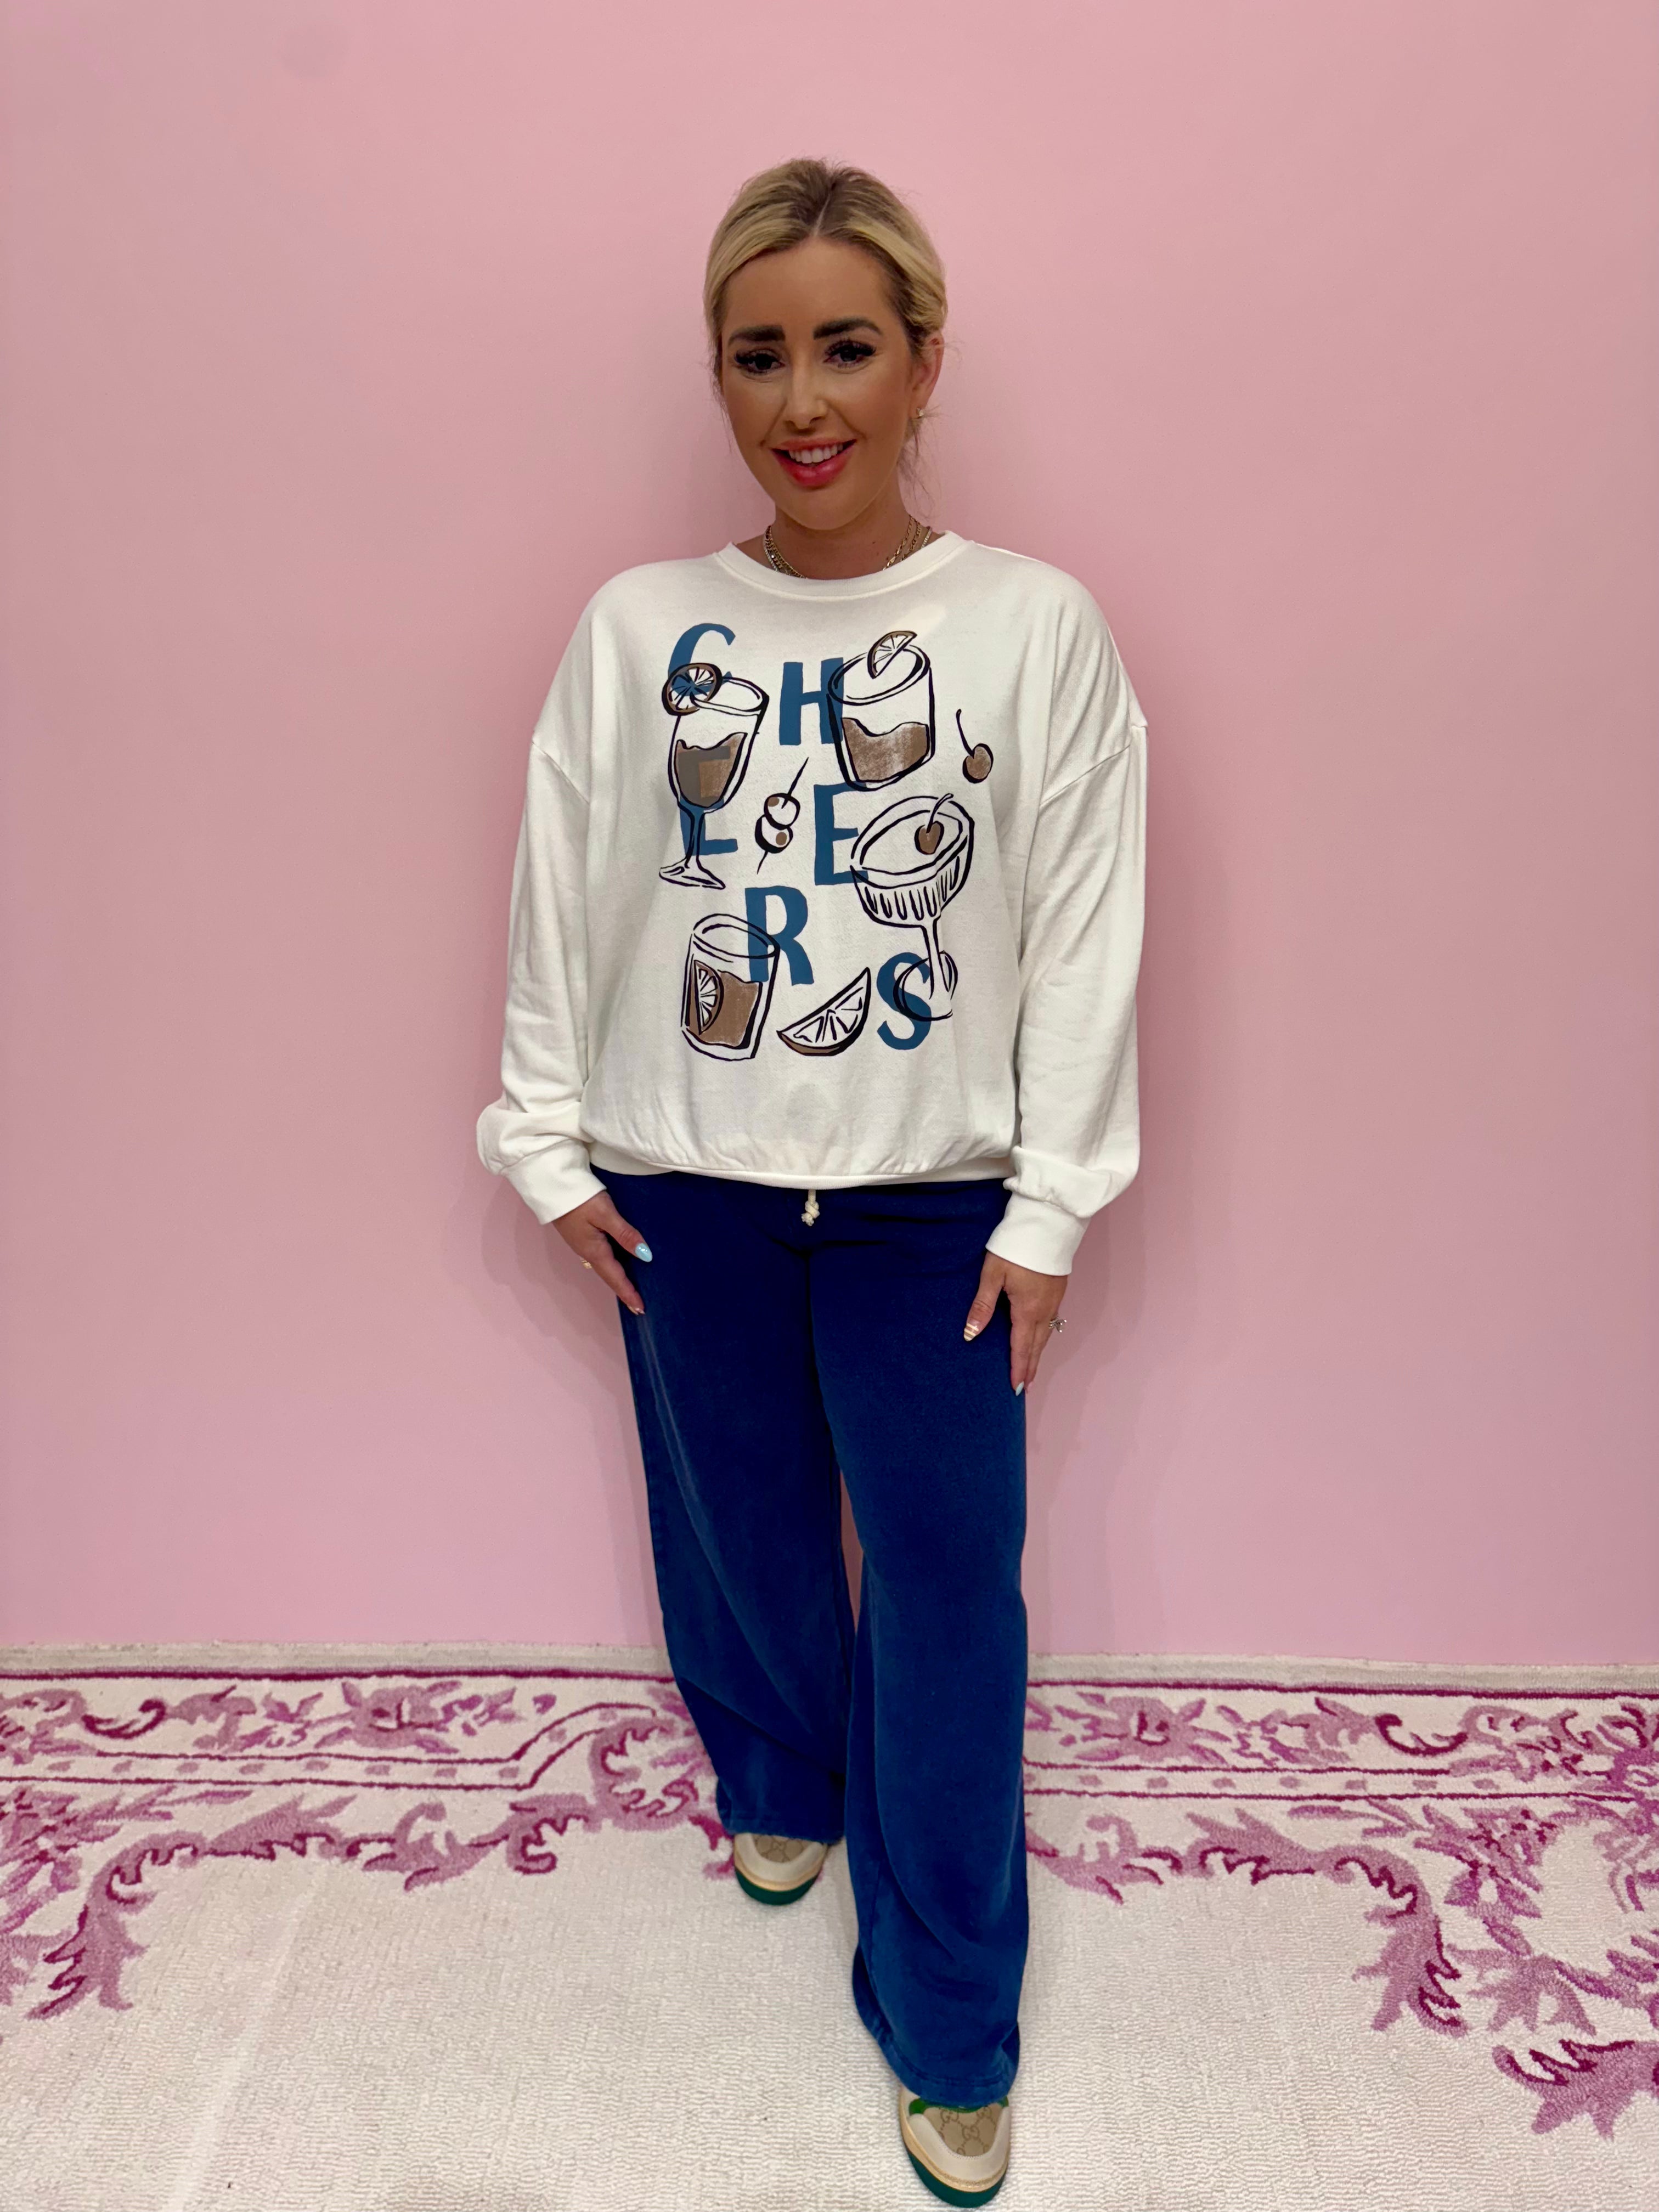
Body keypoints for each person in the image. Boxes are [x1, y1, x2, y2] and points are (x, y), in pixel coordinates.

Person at [476, 156, 1147, 2207]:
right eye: (756, 356)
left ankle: (949, 2013)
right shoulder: (640, 628)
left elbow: (1085, 928)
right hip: (689, 1179)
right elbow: (572, 877)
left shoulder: (1031, 626)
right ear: (722, 379)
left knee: (946, 1595)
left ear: (925, 361)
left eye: (846, 346)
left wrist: (1052, 1206)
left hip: (935, 1206)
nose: (802, 400)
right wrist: (540, 1135)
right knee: (742, 1525)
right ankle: (778, 1771)